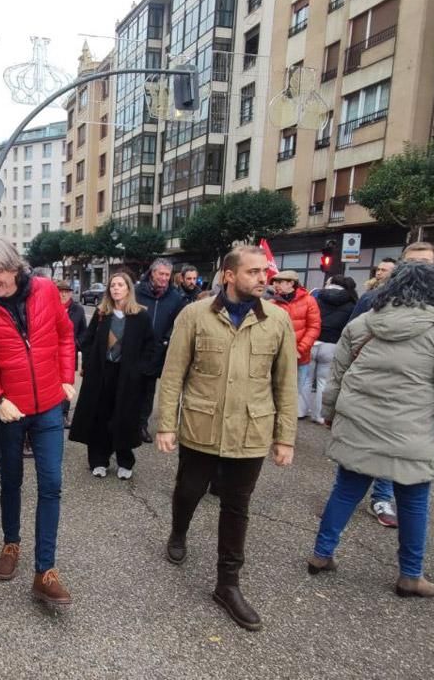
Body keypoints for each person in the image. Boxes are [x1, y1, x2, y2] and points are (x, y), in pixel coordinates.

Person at [311, 262, 434, 597]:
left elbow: (337, 377)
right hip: (413, 431)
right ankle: (410, 574)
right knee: (414, 503)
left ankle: (321, 554)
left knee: (345, 491)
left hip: (359, 424)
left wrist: (329, 414)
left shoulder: (363, 323)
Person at [156, 245, 297, 632]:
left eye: (265, 272)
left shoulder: (277, 321)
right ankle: (179, 530)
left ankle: (228, 584)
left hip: (251, 431)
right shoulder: (194, 315)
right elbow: (173, 376)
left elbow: (286, 383)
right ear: (229, 275)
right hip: (202, 427)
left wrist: (285, 438)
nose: (263, 278)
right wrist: (166, 425)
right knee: (188, 490)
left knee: (237, 506)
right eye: (253, 272)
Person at [0, 237, 76, 608]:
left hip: (47, 407)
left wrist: (65, 376)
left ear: (15, 266)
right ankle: (11, 541)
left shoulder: (45, 290)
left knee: (52, 484)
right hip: (9, 410)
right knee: (10, 481)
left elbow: (64, 334)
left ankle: (45, 570)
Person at [348, 242, 434, 528]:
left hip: (418, 404)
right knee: (357, 465)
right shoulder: (372, 300)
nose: (417, 269)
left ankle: (382, 499)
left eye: (425, 263)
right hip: (371, 398)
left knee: (404, 467)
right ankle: (352, 510)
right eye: (411, 263)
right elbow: (350, 340)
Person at [69, 272, 155, 479]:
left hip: (127, 376)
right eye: (112, 285)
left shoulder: (140, 316)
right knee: (100, 416)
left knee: (124, 417)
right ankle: (98, 460)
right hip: (101, 374)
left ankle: (125, 461)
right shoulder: (101, 314)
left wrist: (140, 370)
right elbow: (87, 341)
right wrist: (89, 363)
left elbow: (149, 346)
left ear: (128, 289)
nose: (116, 288)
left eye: (120, 285)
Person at [135, 258, 187, 443]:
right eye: (161, 274)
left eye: (167, 274)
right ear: (152, 272)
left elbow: (178, 322)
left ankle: (141, 425)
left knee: (149, 391)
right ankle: (126, 422)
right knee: (130, 387)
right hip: (135, 349)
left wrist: (166, 339)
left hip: (157, 350)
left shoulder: (175, 297)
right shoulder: (136, 292)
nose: (164, 278)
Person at [269, 270, 321, 421]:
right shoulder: (272, 302)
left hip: (299, 358)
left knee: (291, 396)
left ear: (291, 283)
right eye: (274, 282)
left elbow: (314, 328)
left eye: (279, 282)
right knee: (272, 392)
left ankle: (285, 428)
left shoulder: (309, 301)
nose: (275, 285)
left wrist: (300, 349)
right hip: (276, 357)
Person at [309, 275, 358, 425]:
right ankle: (319, 415)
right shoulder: (351, 302)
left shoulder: (316, 296)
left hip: (313, 341)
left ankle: (300, 410)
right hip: (333, 344)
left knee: (304, 380)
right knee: (324, 381)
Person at [57, 280, 88, 426]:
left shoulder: (78, 310)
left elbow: (84, 332)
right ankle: (54, 413)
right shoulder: (50, 307)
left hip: (70, 354)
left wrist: (76, 344)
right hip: (52, 353)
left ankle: (64, 414)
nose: (63, 294)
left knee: (67, 383)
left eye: (66, 291)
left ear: (70, 293)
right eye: (60, 291)